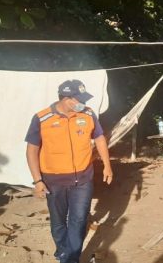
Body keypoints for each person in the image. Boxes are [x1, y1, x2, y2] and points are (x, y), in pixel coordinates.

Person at [25, 79, 113, 263]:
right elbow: (32, 149)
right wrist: (37, 181)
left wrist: (107, 165)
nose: (84, 103)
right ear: (67, 99)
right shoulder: (42, 118)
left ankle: (71, 258)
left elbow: (100, 139)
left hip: (83, 179)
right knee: (58, 222)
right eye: (79, 99)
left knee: (79, 220)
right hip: (53, 181)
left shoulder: (88, 115)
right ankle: (63, 252)